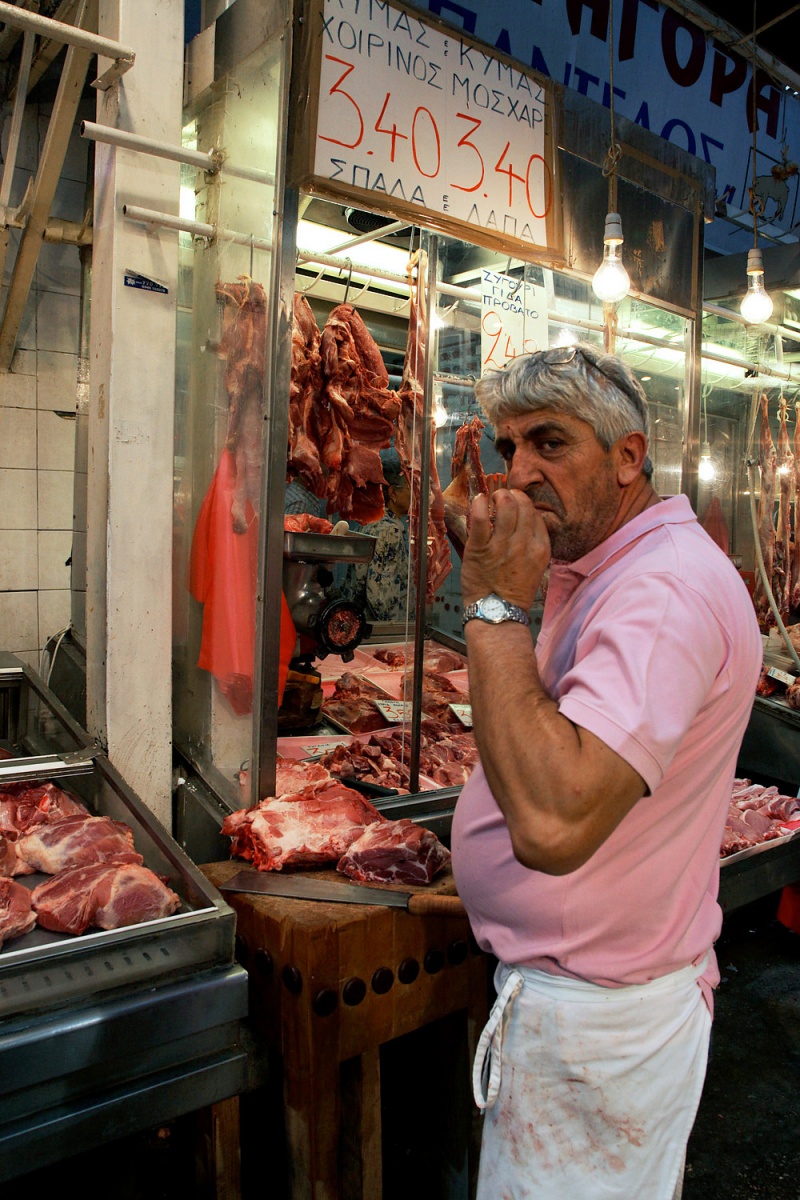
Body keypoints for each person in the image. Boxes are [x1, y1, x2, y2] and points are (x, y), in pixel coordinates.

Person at [451, 343, 762, 1200]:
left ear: (629, 458)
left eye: (550, 443)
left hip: (595, 1030)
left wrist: (493, 606)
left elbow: (555, 824)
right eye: (508, 449)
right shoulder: (615, 565)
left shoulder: (663, 591)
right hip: (579, 1009)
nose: (518, 474)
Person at [343, 449, 413, 621]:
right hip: (378, 633)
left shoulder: (371, 523)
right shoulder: (390, 532)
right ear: (393, 494)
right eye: (410, 489)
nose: (415, 496)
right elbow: (381, 600)